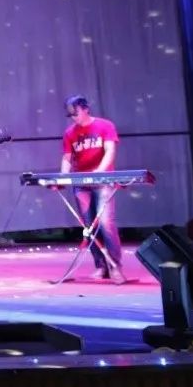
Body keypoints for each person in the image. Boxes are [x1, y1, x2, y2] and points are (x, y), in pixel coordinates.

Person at [60, 94, 125, 284]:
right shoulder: (70, 133)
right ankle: (101, 265)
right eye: (71, 115)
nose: (74, 118)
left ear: (86, 109)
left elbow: (110, 150)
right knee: (89, 226)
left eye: (76, 113)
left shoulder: (105, 125)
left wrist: (100, 171)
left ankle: (115, 265)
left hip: (103, 180)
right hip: (82, 183)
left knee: (106, 222)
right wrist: (62, 177)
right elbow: (67, 158)